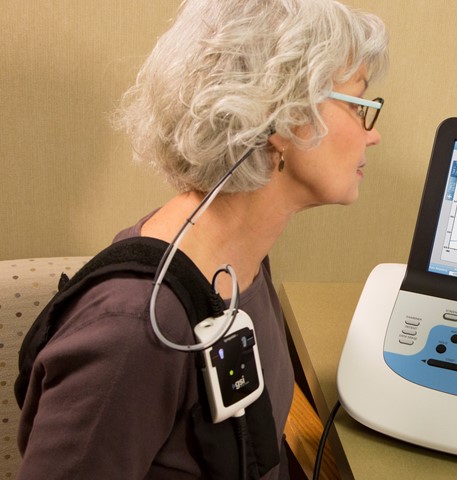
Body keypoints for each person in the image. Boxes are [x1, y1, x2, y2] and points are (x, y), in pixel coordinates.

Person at [17, 0, 387, 478]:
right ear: (282, 116)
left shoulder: (239, 260)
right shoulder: (135, 330)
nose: (371, 136)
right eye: (361, 106)